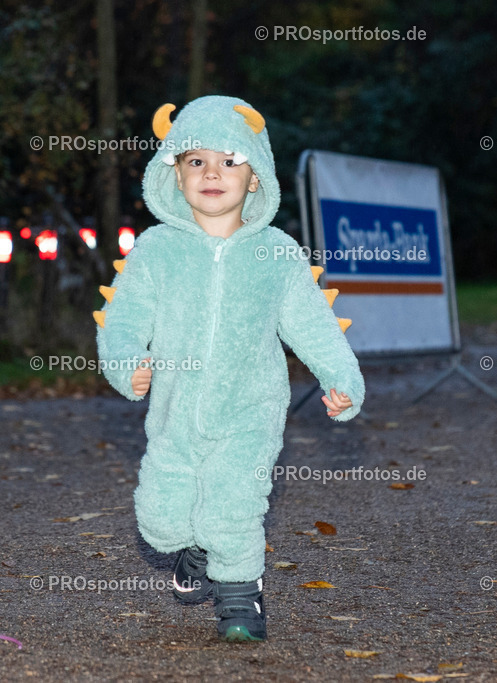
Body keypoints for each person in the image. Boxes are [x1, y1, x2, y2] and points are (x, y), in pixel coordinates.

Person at [95, 96, 365, 642]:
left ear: (257, 178)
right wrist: (127, 365)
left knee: (232, 508)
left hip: (251, 411)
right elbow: (122, 320)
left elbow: (313, 325)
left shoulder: (278, 254)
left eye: (230, 160)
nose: (212, 173)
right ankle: (194, 550)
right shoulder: (156, 251)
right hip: (173, 415)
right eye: (196, 161)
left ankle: (241, 601)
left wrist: (342, 380)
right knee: (159, 520)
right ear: (173, 173)